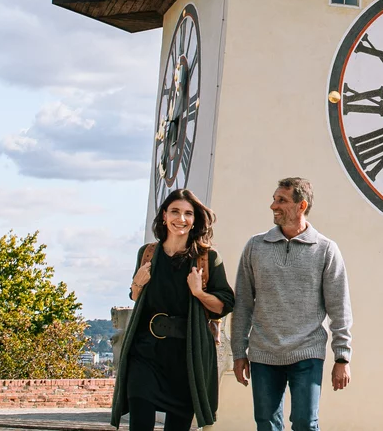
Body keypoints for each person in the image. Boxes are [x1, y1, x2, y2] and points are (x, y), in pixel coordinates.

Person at [231, 177, 353, 431]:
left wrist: (342, 357)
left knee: (305, 423)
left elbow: (339, 307)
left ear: (301, 205)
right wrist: (239, 352)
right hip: (264, 351)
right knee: (266, 424)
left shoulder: (326, 250)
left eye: (281, 200)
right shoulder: (255, 246)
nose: (273, 205)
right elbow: (242, 303)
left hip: (307, 351)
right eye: (274, 199)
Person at [112, 189, 235, 431]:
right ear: (164, 217)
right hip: (146, 352)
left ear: (195, 220)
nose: (181, 218)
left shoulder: (207, 258)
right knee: (139, 423)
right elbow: (137, 296)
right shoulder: (147, 253)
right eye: (175, 211)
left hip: (187, 356)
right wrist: (137, 283)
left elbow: (225, 305)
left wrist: (199, 293)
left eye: (188, 213)